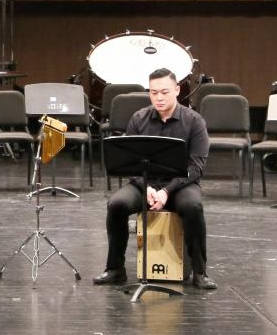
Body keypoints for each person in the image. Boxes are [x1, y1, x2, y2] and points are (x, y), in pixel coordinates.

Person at [93, 67, 217, 289]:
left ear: (177, 90)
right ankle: (115, 269)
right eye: (153, 92)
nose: (159, 97)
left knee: (193, 207)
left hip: (180, 184)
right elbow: (130, 162)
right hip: (145, 183)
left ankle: (200, 272)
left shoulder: (194, 121)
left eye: (164, 92)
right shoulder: (138, 118)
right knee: (116, 204)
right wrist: (148, 188)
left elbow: (196, 167)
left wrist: (166, 191)